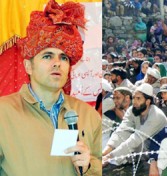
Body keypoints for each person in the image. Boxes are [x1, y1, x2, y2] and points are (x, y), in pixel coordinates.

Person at [0, 0, 101, 175]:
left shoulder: (87, 114)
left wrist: (91, 165)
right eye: (47, 56)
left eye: (63, 58)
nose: (57, 63)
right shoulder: (4, 112)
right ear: (28, 66)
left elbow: (104, 163)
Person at [102, 83, 167, 166]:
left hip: (161, 153)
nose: (134, 102)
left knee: (136, 143)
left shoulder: (156, 115)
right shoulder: (133, 110)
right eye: (133, 98)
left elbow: (137, 138)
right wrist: (104, 153)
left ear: (147, 101)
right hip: (143, 149)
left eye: (138, 99)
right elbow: (122, 130)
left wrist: (110, 157)